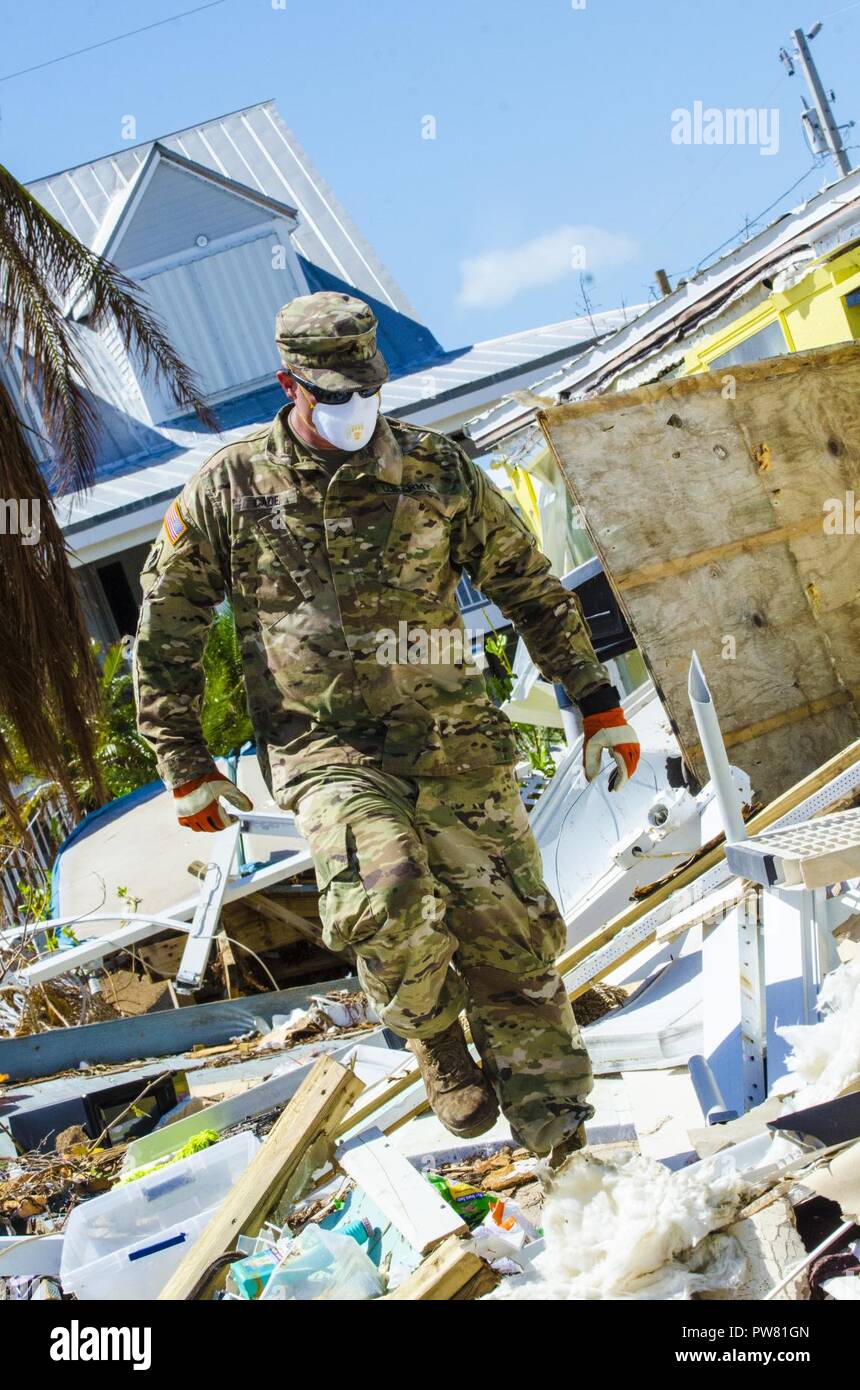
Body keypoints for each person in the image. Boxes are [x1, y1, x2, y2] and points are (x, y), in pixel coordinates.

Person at [133, 290, 640, 1163]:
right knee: (387, 887)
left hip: (454, 740)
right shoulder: (229, 487)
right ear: (291, 387)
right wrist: (185, 761)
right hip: (323, 747)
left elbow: (530, 587)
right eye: (336, 396)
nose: (358, 410)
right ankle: (435, 1036)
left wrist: (599, 702)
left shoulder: (438, 471)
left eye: (369, 389)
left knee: (510, 935)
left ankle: (561, 1136)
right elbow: (166, 622)